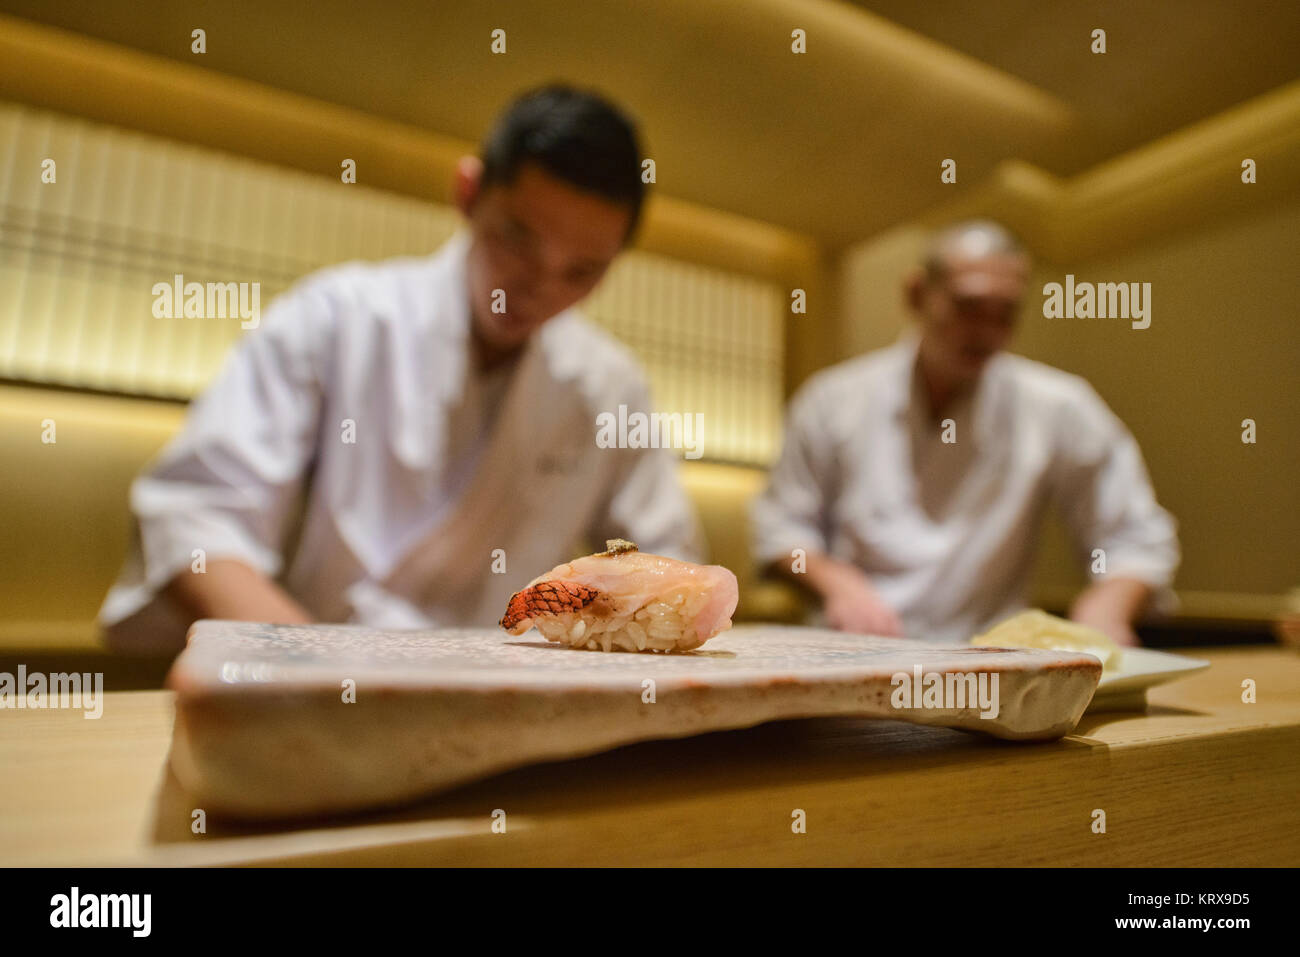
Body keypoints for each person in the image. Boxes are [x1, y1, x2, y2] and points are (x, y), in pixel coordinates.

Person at [100, 85, 703, 652]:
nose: (538, 289)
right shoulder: (338, 317)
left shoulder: (609, 385)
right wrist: (318, 677)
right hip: (308, 675)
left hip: (508, 696)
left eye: (581, 271)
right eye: (517, 239)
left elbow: (669, 568)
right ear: (469, 193)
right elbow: (197, 522)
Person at [751, 220, 1179, 646]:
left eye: (1006, 313)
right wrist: (838, 584)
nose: (987, 332)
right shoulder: (832, 400)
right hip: (847, 655)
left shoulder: (1059, 406)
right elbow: (782, 531)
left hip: (990, 666)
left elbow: (1135, 538)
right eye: (969, 306)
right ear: (917, 294)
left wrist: (1107, 605)